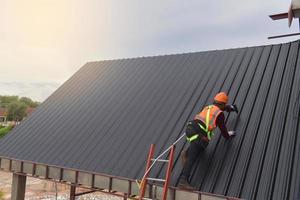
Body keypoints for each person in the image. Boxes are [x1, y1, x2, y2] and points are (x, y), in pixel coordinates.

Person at [178, 92, 238, 190]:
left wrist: (229, 108)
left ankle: (186, 152)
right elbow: (223, 129)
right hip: (198, 133)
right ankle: (183, 181)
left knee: (199, 146)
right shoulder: (219, 114)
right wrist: (228, 135)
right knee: (192, 157)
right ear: (222, 104)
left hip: (191, 128)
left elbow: (220, 107)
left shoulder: (209, 107)